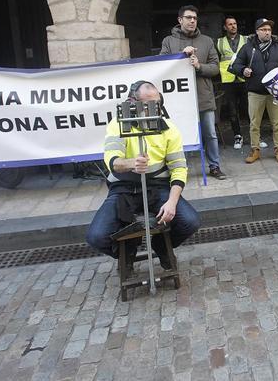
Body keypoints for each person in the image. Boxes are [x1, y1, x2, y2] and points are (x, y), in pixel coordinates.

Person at [85, 81, 200, 267]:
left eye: (157, 103)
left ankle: (161, 247)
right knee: (96, 236)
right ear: (133, 102)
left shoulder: (168, 128)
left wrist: (172, 202)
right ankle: (127, 252)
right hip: (124, 188)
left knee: (190, 222)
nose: (154, 109)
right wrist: (131, 163)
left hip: (158, 186)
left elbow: (178, 167)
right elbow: (111, 159)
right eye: (148, 105)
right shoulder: (118, 124)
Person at [160, 5, 225, 180]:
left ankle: (214, 166)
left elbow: (215, 68)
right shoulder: (168, 41)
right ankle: (180, 169)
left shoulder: (207, 41)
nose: (192, 21)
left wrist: (199, 66)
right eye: (188, 17)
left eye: (194, 18)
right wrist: (181, 57)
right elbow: (162, 65)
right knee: (177, 136)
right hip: (178, 99)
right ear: (180, 20)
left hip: (203, 96)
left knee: (210, 134)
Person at [230, 18, 278, 163]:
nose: (267, 32)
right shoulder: (247, 48)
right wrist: (243, 70)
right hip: (255, 92)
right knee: (254, 123)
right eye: (263, 30)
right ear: (257, 31)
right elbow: (236, 65)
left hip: (274, 92)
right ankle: (255, 150)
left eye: (269, 30)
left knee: (277, 123)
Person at [215, 16, 249, 150]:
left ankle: (255, 136)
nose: (233, 26)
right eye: (230, 24)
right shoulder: (218, 42)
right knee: (232, 110)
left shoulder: (246, 39)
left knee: (248, 109)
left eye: (234, 23)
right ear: (225, 27)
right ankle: (238, 136)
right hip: (228, 80)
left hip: (244, 78)